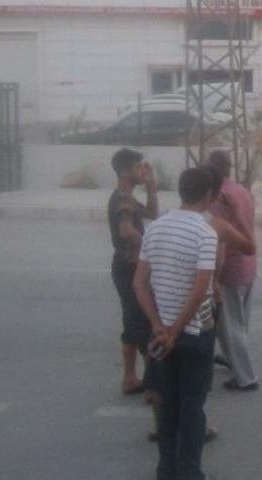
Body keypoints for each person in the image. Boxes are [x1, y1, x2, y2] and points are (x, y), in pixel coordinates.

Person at [133, 167, 219, 480]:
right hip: (194, 333)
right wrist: (177, 330)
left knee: (166, 405)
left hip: (161, 335)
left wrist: (159, 326)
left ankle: (166, 469)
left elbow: (140, 283)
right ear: (209, 195)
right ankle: (190, 471)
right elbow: (200, 289)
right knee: (192, 406)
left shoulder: (155, 228)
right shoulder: (205, 233)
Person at [206, 150, 261, 392]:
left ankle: (246, 377)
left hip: (230, 267)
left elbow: (220, 241)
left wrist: (214, 279)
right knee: (239, 322)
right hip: (248, 265)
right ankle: (232, 359)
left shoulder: (219, 198)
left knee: (231, 325)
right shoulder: (243, 191)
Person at [108, 147, 159, 396]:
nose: (143, 170)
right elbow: (126, 231)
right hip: (130, 269)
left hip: (127, 267)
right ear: (126, 170)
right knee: (143, 322)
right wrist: (148, 245)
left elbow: (151, 213)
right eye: (139, 167)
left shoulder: (126, 196)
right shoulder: (122, 199)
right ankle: (151, 386)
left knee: (131, 321)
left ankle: (129, 378)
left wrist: (151, 187)